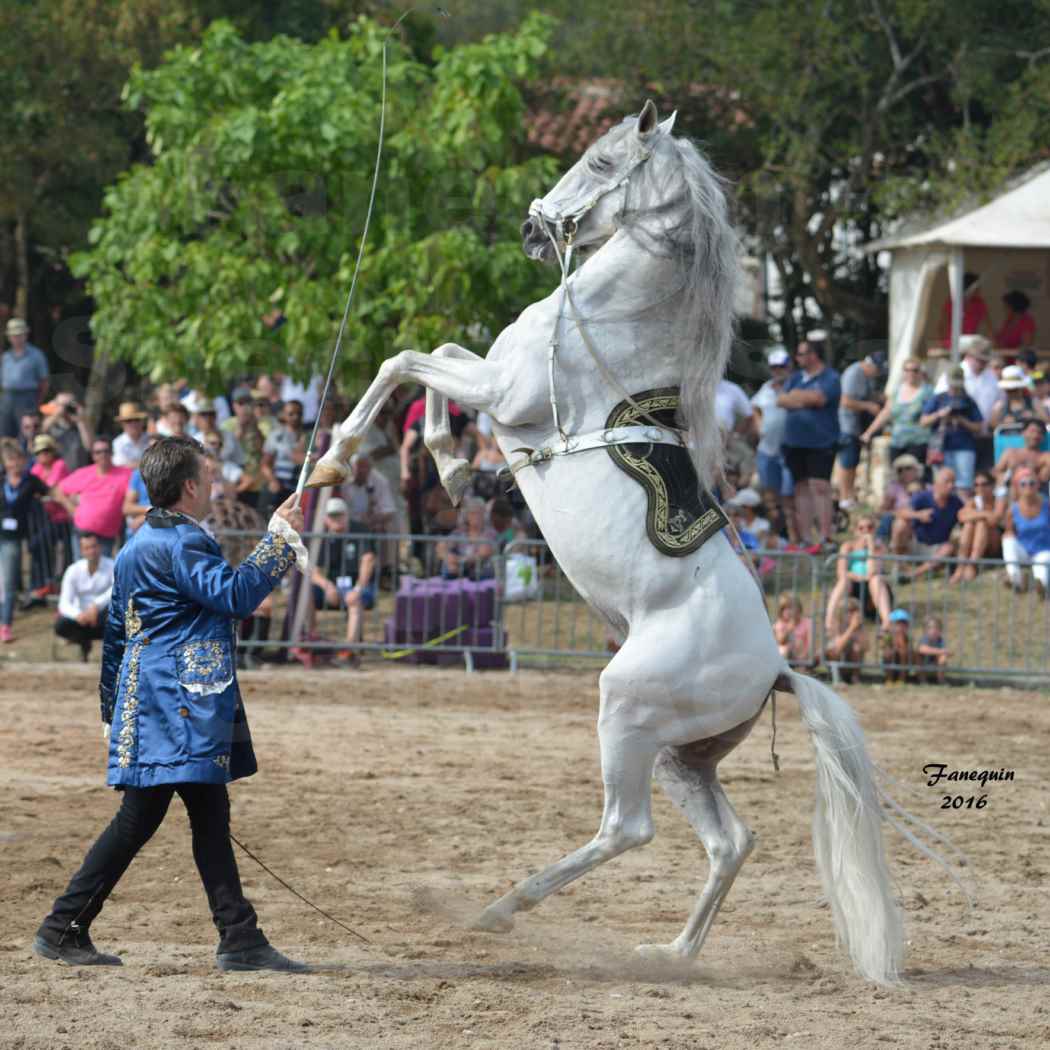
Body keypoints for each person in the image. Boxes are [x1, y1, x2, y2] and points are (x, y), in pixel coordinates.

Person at [34, 436, 311, 972]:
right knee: (147, 817)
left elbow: (117, 634)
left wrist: (110, 708)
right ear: (188, 486)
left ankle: (239, 935)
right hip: (179, 705)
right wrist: (277, 541)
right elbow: (234, 596)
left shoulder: (137, 543)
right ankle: (64, 927)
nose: (213, 486)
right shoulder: (184, 543)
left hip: (153, 704)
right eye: (207, 478)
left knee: (201, 813)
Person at [777, 332, 841, 550]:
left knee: (820, 486)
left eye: (801, 354)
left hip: (821, 442)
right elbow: (782, 400)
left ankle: (825, 537)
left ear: (814, 355)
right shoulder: (795, 378)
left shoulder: (830, 377)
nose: (797, 358)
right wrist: (804, 398)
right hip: (794, 443)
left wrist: (798, 397)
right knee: (801, 488)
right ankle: (805, 539)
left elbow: (820, 398)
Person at [307, 496, 377, 669]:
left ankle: (348, 651)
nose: (336, 519)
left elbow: (368, 560)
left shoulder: (360, 531)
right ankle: (311, 642)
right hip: (332, 588)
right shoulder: (320, 536)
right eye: (332, 516)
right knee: (306, 595)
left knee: (353, 600)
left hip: (358, 587)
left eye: (340, 515)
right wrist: (326, 585)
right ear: (325, 519)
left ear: (347, 515)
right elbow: (311, 569)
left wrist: (358, 588)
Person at [0, 439, 50, 642]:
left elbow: (50, 492)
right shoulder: (1, 479)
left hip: (12, 538)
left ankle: (6, 625)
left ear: (23, 460)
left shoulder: (30, 480)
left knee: (9, 582)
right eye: (10, 460)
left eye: (17, 459)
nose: (14, 464)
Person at [53, 436, 133, 556]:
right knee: (81, 572)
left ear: (112, 453)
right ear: (93, 455)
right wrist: (72, 509)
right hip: (82, 533)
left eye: (106, 451)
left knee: (102, 572)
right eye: (98, 452)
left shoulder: (126, 474)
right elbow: (58, 490)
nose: (103, 455)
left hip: (106, 535)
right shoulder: (83, 473)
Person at [750, 346, 796, 539]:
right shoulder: (767, 387)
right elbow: (754, 407)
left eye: (781, 366)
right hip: (767, 450)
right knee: (770, 496)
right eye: (774, 367)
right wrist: (759, 427)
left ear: (789, 366)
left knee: (788, 495)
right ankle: (775, 536)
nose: (777, 370)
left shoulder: (796, 385)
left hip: (789, 451)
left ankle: (793, 536)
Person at [934, 334, 999, 470]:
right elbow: (940, 401)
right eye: (980, 360)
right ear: (969, 356)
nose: (983, 364)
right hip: (958, 437)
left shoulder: (991, 377)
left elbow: (999, 402)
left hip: (984, 436)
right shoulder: (953, 374)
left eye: (985, 361)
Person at [860, 358, 933, 471]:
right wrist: (868, 433)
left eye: (914, 370)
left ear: (920, 372)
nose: (911, 373)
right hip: (897, 442)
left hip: (918, 442)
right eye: (907, 370)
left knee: (913, 478)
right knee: (895, 479)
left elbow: (932, 416)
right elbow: (886, 412)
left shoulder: (928, 391)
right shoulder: (897, 390)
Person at [824, 514, 893, 634]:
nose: (866, 531)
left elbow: (872, 571)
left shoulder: (879, 547)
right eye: (861, 528)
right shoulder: (847, 546)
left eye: (870, 527)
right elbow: (841, 572)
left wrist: (871, 547)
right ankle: (829, 621)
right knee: (844, 581)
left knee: (875, 579)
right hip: (853, 584)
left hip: (873, 587)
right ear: (856, 530)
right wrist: (858, 577)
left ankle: (887, 622)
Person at [920, 366, 983, 495]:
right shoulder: (938, 399)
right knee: (942, 484)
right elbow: (923, 421)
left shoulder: (968, 401)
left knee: (963, 486)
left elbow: (978, 427)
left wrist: (961, 420)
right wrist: (940, 415)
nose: (955, 388)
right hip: (941, 448)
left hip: (964, 447)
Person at [837, 351, 886, 508]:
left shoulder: (867, 377)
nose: (877, 374)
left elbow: (866, 396)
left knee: (853, 462)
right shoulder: (853, 374)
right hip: (846, 426)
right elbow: (845, 401)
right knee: (847, 462)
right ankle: (844, 498)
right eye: (877, 370)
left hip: (856, 426)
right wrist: (868, 406)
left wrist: (878, 398)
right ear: (869, 364)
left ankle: (849, 496)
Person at [54, 533, 114, 661]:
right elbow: (64, 602)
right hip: (81, 619)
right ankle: (83, 643)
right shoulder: (73, 570)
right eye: (87, 548)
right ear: (82, 551)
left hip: (103, 616)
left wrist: (96, 606)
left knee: (116, 621)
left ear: (100, 547)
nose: (92, 551)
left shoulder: (112, 566)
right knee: (60, 625)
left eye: (94, 546)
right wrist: (78, 615)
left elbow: (116, 591)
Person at [894, 467, 963, 580]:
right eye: (947, 482)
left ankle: (914, 574)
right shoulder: (922, 497)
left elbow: (964, 513)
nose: (951, 485)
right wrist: (918, 515)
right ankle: (899, 565)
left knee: (948, 547)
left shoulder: (956, 502)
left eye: (953, 482)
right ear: (936, 483)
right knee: (900, 525)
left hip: (936, 548)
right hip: (916, 544)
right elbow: (900, 512)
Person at [28, 434, 72, 601]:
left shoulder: (60, 465)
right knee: (37, 545)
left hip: (63, 518)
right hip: (47, 519)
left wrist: (43, 493)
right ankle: (47, 583)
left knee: (68, 555)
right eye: (39, 452)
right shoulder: (37, 468)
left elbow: (52, 488)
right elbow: (32, 486)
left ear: (53, 451)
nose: (43, 455)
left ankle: (62, 587)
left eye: (46, 450)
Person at [1001, 466, 1050, 596]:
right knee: (1007, 540)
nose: (1028, 486)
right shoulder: (1012, 510)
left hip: (1044, 550)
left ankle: (1041, 586)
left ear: (1037, 485)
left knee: (1043, 564)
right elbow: (1009, 531)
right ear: (1017, 487)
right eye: (1023, 483)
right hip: (1024, 550)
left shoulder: (1047, 505)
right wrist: (1009, 534)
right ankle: (1014, 578)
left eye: (1031, 483)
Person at [951, 471, 1003, 583]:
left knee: (980, 523)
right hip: (976, 541)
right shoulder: (974, 501)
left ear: (992, 485)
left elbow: (995, 520)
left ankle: (971, 565)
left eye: (984, 484)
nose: (980, 488)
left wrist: (975, 514)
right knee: (970, 524)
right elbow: (961, 516)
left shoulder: (999, 500)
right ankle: (962, 566)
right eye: (976, 485)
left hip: (994, 545)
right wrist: (984, 514)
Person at [1, 318, 49, 438]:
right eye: (14, 335)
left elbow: (44, 382)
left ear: (25, 335)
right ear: (9, 337)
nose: (17, 338)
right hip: (7, 397)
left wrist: (37, 402)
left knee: (27, 433)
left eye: (19, 335)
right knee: (4, 432)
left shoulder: (36, 355)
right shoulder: (6, 357)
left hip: (28, 397)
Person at [261, 399, 306, 514]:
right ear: (284, 415)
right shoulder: (276, 436)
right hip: (279, 487)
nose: (295, 417)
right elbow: (265, 465)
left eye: (299, 414)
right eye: (291, 414)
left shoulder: (309, 437)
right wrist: (272, 481)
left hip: (300, 489)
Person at [437, 497, 499, 579]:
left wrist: (458, 561)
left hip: (480, 573)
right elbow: (441, 546)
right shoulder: (460, 532)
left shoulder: (490, 533)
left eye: (479, 512)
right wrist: (448, 557)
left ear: (484, 514)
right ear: (467, 515)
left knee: (454, 568)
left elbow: (482, 554)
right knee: (449, 566)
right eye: (472, 513)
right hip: (460, 569)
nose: (476, 516)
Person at [992, 418, 1050, 499]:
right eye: (1032, 431)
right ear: (1023, 433)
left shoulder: (1045, 456)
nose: (1035, 435)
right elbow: (996, 472)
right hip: (1011, 493)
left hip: (1036, 495)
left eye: (1039, 432)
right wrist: (1004, 478)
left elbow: (1044, 477)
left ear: (1043, 437)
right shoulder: (1010, 453)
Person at [879, 454, 922, 547]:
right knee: (893, 520)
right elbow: (884, 509)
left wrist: (918, 494)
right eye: (900, 470)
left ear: (916, 469)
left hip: (917, 520)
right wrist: (900, 513)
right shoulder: (894, 487)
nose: (904, 472)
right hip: (898, 519)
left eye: (908, 468)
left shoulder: (925, 487)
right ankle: (882, 544)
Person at [41, 391, 90, 469]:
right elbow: (41, 431)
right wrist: (56, 414)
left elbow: (89, 447)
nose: (65, 409)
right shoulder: (52, 426)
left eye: (68, 405)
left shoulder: (80, 425)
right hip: (57, 475)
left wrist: (81, 421)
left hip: (78, 473)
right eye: (61, 405)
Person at [824, 596, 868, 684]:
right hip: (837, 661)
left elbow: (867, 646)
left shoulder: (859, 626)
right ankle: (837, 678)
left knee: (857, 647)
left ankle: (854, 677)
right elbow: (837, 648)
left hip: (850, 663)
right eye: (849, 611)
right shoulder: (835, 625)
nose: (853, 614)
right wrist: (851, 628)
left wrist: (858, 631)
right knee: (832, 651)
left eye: (855, 611)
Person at [940, 271, 989, 345]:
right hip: (953, 344)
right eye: (977, 286)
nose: (979, 289)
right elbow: (942, 326)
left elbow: (989, 326)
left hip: (971, 345)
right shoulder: (953, 301)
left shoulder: (979, 303)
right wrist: (944, 344)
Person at [772, 593, 813, 666]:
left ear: (799, 609)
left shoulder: (807, 622)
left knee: (799, 642)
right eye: (784, 609)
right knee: (784, 650)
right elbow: (780, 641)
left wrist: (804, 656)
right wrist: (788, 629)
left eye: (790, 608)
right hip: (785, 655)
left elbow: (811, 644)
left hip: (803, 656)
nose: (788, 612)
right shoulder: (779, 624)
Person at [881, 608, 917, 685]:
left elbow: (909, 650)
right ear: (891, 625)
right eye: (898, 623)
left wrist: (902, 643)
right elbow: (884, 647)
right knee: (889, 653)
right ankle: (889, 679)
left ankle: (902, 679)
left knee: (904, 652)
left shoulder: (908, 637)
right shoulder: (888, 636)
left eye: (904, 623)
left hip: (904, 665)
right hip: (890, 664)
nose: (901, 626)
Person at [917, 615, 951, 684]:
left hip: (935, 664)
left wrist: (946, 652)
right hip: (924, 663)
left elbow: (946, 651)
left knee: (943, 657)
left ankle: (940, 679)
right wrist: (940, 651)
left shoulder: (940, 640)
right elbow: (922, 649)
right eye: (930, 628)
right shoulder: (925, 638)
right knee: (918, 656)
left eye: (936, 628)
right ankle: (922, 680)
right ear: (925, 630)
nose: (933, 630)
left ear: (940, 630)